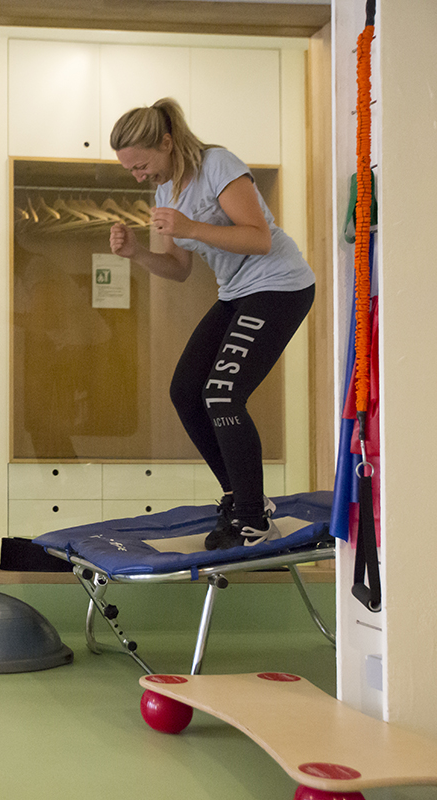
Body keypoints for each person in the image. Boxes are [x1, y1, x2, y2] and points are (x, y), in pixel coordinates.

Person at [108, 98, 315, 550]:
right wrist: (136, 254)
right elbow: (179, 269)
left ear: (166, 142)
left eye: (142, 165)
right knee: (185, 391)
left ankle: (251, 520)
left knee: (222, 392)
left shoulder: (217, 164)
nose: (139, 176)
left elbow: (258, 238)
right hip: (237, 291)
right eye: (131, 171)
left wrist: (191, 226)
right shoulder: (167, 192)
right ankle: (244, 499)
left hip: (279, 284)